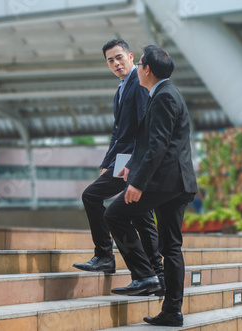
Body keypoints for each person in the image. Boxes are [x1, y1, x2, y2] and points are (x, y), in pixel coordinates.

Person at [105, 45, 197, 327]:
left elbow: (158, 146)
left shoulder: (164, 97)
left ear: (146, 69)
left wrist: (138, 183)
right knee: (171, 247)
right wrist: (132, 166)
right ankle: (172, 311)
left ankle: (144, 273)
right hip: (175, 183)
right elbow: (154, 143)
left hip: (164, 183)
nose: (137, 67)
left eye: (140, 62)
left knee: (114, 214)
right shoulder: (164, 94)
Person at [73, 39, 165, 295]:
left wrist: (133, 164)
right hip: (122, 161)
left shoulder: (138, 83)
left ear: (131, 56)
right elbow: (118, 132)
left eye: (119, 57)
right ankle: (157, 278)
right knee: (141, 217)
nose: (115, 63)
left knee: (91, 196)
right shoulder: (122, 88)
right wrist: (106, 162)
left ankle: (104, 255)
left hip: (132, 162)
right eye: (110, 60)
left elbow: (144, 127)